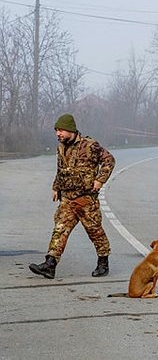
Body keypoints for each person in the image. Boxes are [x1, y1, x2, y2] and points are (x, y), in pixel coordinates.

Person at [29, 113, 116, 279]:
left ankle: (103, 262)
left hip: (86, 199)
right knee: (59, 229)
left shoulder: (90, 145)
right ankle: (50, 264)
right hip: (67, 199)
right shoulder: (61, 146)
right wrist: (56, 187)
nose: (58, 134)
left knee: (95, 231)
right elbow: (61, 169)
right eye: (56, 131)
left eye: (61, 130)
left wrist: (100, 180)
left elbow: (109, 160)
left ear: (70, 130)